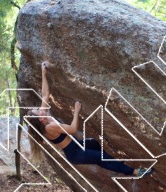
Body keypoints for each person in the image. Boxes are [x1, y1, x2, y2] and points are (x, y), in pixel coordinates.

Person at [26, 61, 154, 178]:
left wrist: (43, 73)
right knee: (99, 157)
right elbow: (72, 129)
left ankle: (113, 163)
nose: (40, 108)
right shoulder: (49, 127)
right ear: (39, 119)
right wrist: (76, 111)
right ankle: (135, 172)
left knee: (93, 143)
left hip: (77, 145)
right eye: (38, 110)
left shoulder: (44, 116)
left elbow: (45, 94)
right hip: (75, 153)